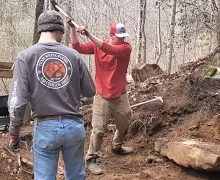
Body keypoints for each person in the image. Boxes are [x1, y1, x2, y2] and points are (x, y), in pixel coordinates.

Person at [8, 10, 96, 180]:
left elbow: (17, 101)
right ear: (60, 31)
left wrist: (14, 131)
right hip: (74, 126)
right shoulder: (73, 55)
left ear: (41, 30)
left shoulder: (25, 57)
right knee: (77, 176)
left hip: (45, 127)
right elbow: (90, 91)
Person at [67, 20, 133, 175]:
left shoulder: (125, 47)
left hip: (120, 94)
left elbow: (109, 49)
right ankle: (90, 158)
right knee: (98, 130)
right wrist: (73, 29)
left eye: (124, 37)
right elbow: (77, 48)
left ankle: (117, 146)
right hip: (102, 95)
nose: (122, 39)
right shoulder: (99, 45)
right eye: (119, 37)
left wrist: (89, 34)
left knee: (124, 123)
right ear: (111, 35)